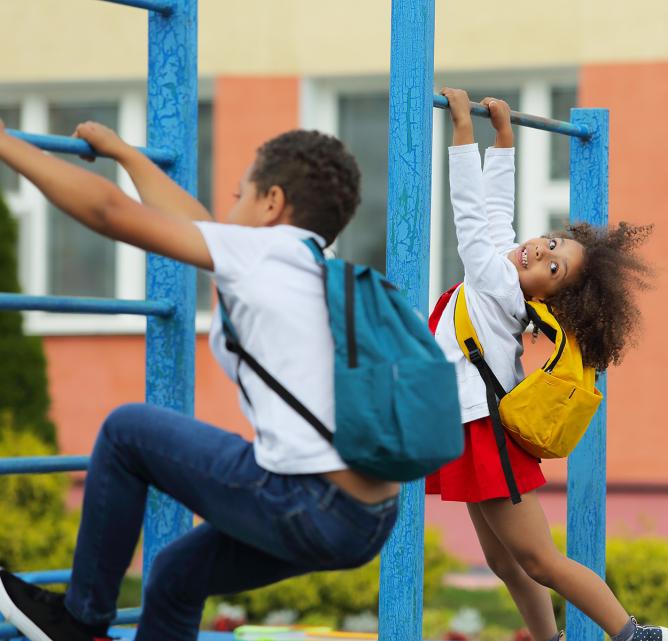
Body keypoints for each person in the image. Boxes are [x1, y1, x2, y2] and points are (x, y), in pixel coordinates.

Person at [0, 118, 399, 641]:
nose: (228, 210)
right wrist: (126, 154)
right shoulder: (319, 269)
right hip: (369, 519)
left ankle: (81, 621)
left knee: (126, 431)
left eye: (241, 194)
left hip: (308, 501)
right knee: (175, 574)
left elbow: (108, 212)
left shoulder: (261, 256)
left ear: (272, 202)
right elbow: (197, 223)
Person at [426, 88, 667, 641]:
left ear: (550, 298)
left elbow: (468, 214)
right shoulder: (506, 269)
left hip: (483, 429)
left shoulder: (497, 283)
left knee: (539, 561)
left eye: (553, 268)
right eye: (551, 242)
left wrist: (463, 132)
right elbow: (493, 219)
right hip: (466, 425)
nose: (540, 253)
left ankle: (632, 634)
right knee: (505, 563)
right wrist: (505, 140)